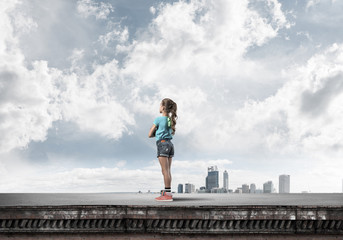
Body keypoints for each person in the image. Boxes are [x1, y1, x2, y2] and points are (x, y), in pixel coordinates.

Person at [148, 98, 177, 201]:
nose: (159, 107)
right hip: (170, 145)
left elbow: (149, 134)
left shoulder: (158, 119)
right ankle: (168, 192)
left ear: (163, 107)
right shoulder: (170, 120)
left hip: (162, 144)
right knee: (168, 170)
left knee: (164, 171)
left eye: (160, 105)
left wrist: (157, 134)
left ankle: (167, 195)